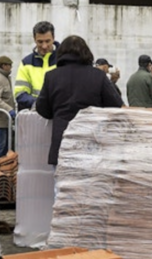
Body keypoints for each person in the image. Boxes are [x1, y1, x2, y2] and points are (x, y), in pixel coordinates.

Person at [35, 35, 123, 166]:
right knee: (89, 184)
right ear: (87, 53)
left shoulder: (52, 76)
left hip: (62, 142)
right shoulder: (98, 76)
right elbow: (115, 105)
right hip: (91, 142)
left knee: (62, 185)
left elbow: (42, 108)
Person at [14, 21, 57, 110]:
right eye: (40, 42)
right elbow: (20, 93)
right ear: (34, 39)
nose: (44, 46)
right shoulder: (26, 63)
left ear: (53, 38)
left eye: (47, 41)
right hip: (35, 116)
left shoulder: (64, 60)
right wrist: (41, 104)